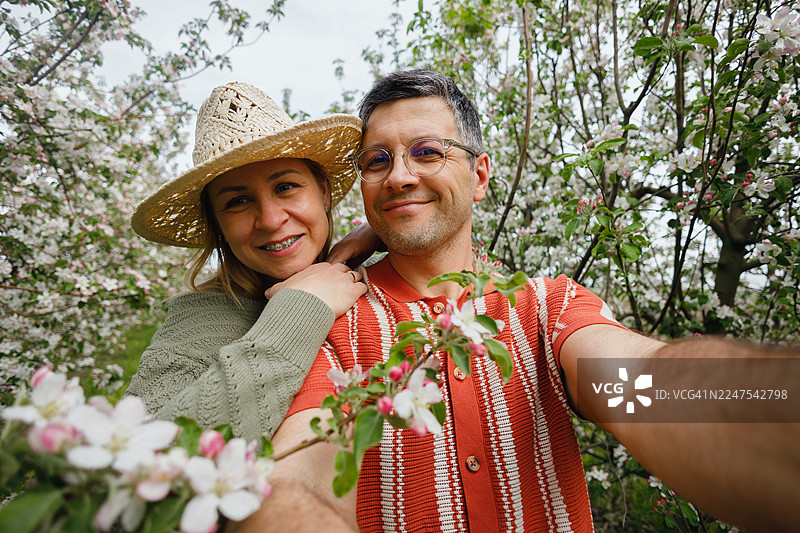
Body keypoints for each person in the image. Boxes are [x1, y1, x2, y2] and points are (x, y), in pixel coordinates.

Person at [230, 70, 800, 533]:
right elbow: (297, 474)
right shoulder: (327, 317)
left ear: (479, 176)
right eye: (377, 161)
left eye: (427, 152)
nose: (400, 175)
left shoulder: (546, 306)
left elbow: (643, 382)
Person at [126, 81, 379, 443]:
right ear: (218, 225)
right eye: (237, 202)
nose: (271, 220)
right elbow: (146, 456)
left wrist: (382, 228)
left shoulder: (363, 269)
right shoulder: (200, 321)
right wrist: (300, 311)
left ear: (322, 190)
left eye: (286, 187)